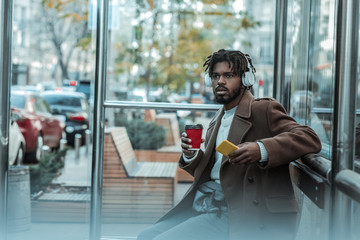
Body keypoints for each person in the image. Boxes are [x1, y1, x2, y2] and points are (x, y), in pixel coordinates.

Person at [137, 49, 321, 240]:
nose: (220, 81)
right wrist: (191, 154)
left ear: (245, 79)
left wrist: (261, 149)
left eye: (229, 75)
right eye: (215, 76)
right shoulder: (218, 118)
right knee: (145, 236)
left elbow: (309, 137)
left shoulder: (263, 109)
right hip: (207, 205)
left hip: (238, 213)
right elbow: (214, 171)